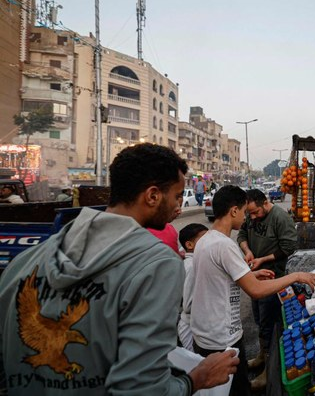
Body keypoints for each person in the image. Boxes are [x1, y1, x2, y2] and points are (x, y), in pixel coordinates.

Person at [0, 143, 239, 395]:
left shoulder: (24, 262)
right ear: (153, 196)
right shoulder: (157, 265)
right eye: (178, 196)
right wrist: (194, 380)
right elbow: (140, 390)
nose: (178, 205)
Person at [190, 185, 315, 396]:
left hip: (206, 333)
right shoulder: (224, 245)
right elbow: (256, 291)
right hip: (222, 338)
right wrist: (296, 276)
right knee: (238, 390)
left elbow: (220, 279)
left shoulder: (206, 239)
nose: (246, 218)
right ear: (234, 211)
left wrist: (251, 275)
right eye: (244, 212)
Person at [235, 188, 299, 391]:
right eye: (249, 213)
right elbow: (242, 233)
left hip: (273, 278)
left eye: (255, 212)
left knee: (269, 323)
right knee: (258, 317)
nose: (252, 217)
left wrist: (264, 259)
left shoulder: (280, 217)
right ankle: (261, 356)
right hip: (255, 276)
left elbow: (288, 247)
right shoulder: (250, 215)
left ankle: (268, 371)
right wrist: (248, 251)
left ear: (265, 202)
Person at [178, 223, 209, 352]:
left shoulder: (196, 262)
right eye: (204, 240)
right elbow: (188, 305)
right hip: (190, 327)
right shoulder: (191, 266)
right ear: (189, 245)